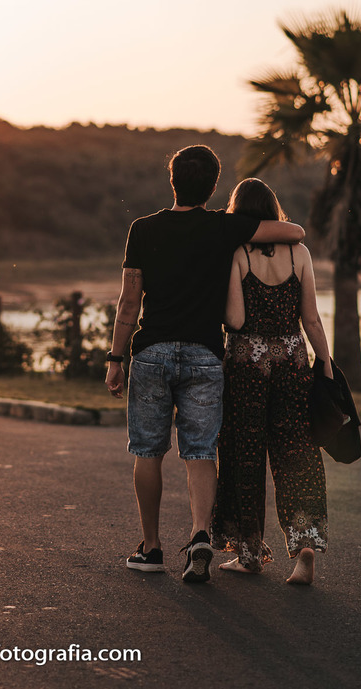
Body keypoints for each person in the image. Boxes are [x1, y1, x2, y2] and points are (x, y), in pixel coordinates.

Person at [105, 146, 304, 582]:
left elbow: (128, 303)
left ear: (172, 180)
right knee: (200, 451)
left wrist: (115, 358)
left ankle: (152, 548)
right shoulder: (224, 227)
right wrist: (248, 226)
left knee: (148, 451)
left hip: (152, 353)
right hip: (205, 355)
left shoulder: (142, 229)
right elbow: (294, 231)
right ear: (214, 186)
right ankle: (199, 535)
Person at [210, 178, 332, 585]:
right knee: (296, 452)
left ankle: (248, 554)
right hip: (294, 360)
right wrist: (326, 364)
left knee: (244, 456)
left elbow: (237, 320)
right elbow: (311, 318)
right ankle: (305, 547)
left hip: (247, 365)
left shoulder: (238, 253)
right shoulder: (300, 253)